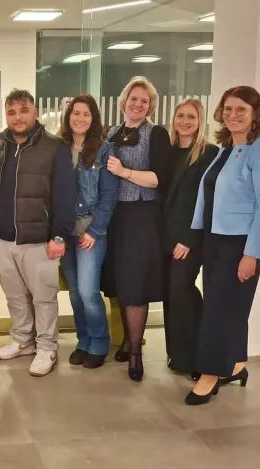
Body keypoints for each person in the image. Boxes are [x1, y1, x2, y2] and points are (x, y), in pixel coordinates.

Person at [186, 86, 260, 405]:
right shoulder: (227, 148)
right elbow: (210, 196)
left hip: (240, 243)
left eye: (241, 109)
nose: (233, 115)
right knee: (229, 307)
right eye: (228, 108)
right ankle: (237, 365)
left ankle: (210, 373)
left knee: (219, 311)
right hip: (215, 238)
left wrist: (252, 254)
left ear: (256, 114)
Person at [0, 89, 77, 377]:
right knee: (14, 295)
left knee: (43, 296)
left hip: (39, 238)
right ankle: (23, 340)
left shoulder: (54, 147)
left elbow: (65, 194)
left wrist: (59, 235)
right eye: (11, 112)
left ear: (35, 112)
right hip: (3, 237)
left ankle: (47, 346)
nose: (18, 117)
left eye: (24, 110)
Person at [101, 76, 172, 382]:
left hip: (142, 215)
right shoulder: (111, 132)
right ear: (124, 102)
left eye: (145, 100)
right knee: (118, 280)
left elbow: (159, 179)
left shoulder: (156, 133)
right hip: (114, 216)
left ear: (150, 105)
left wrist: (125, 172)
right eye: (134, 98)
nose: (138, 104)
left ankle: (136, 353)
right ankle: (128, 340)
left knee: (135, 282)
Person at [57, 94, 119, 369]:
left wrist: (94, 231)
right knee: (74, 293)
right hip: (65, 233)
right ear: (68, 116)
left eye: (86, 114)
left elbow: (109, 195)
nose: (80, 118)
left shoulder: (104, 150)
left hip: (92, 233)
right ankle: (83, 341)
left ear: (93, 119)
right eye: (75, 113)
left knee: (88, 292)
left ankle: (99, 342)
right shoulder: (59, 148)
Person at [162, 98, 218, 379]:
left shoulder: (209, 153)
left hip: (188, 239)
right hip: (164, 236)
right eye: (181, 116)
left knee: (182, 291)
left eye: (191, 117)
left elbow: (207, 202)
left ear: (200, 121)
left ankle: (200, 357)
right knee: (170, 297)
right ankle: (178, 355)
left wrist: (189, 238)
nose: (185, 121)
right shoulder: (168, 151)